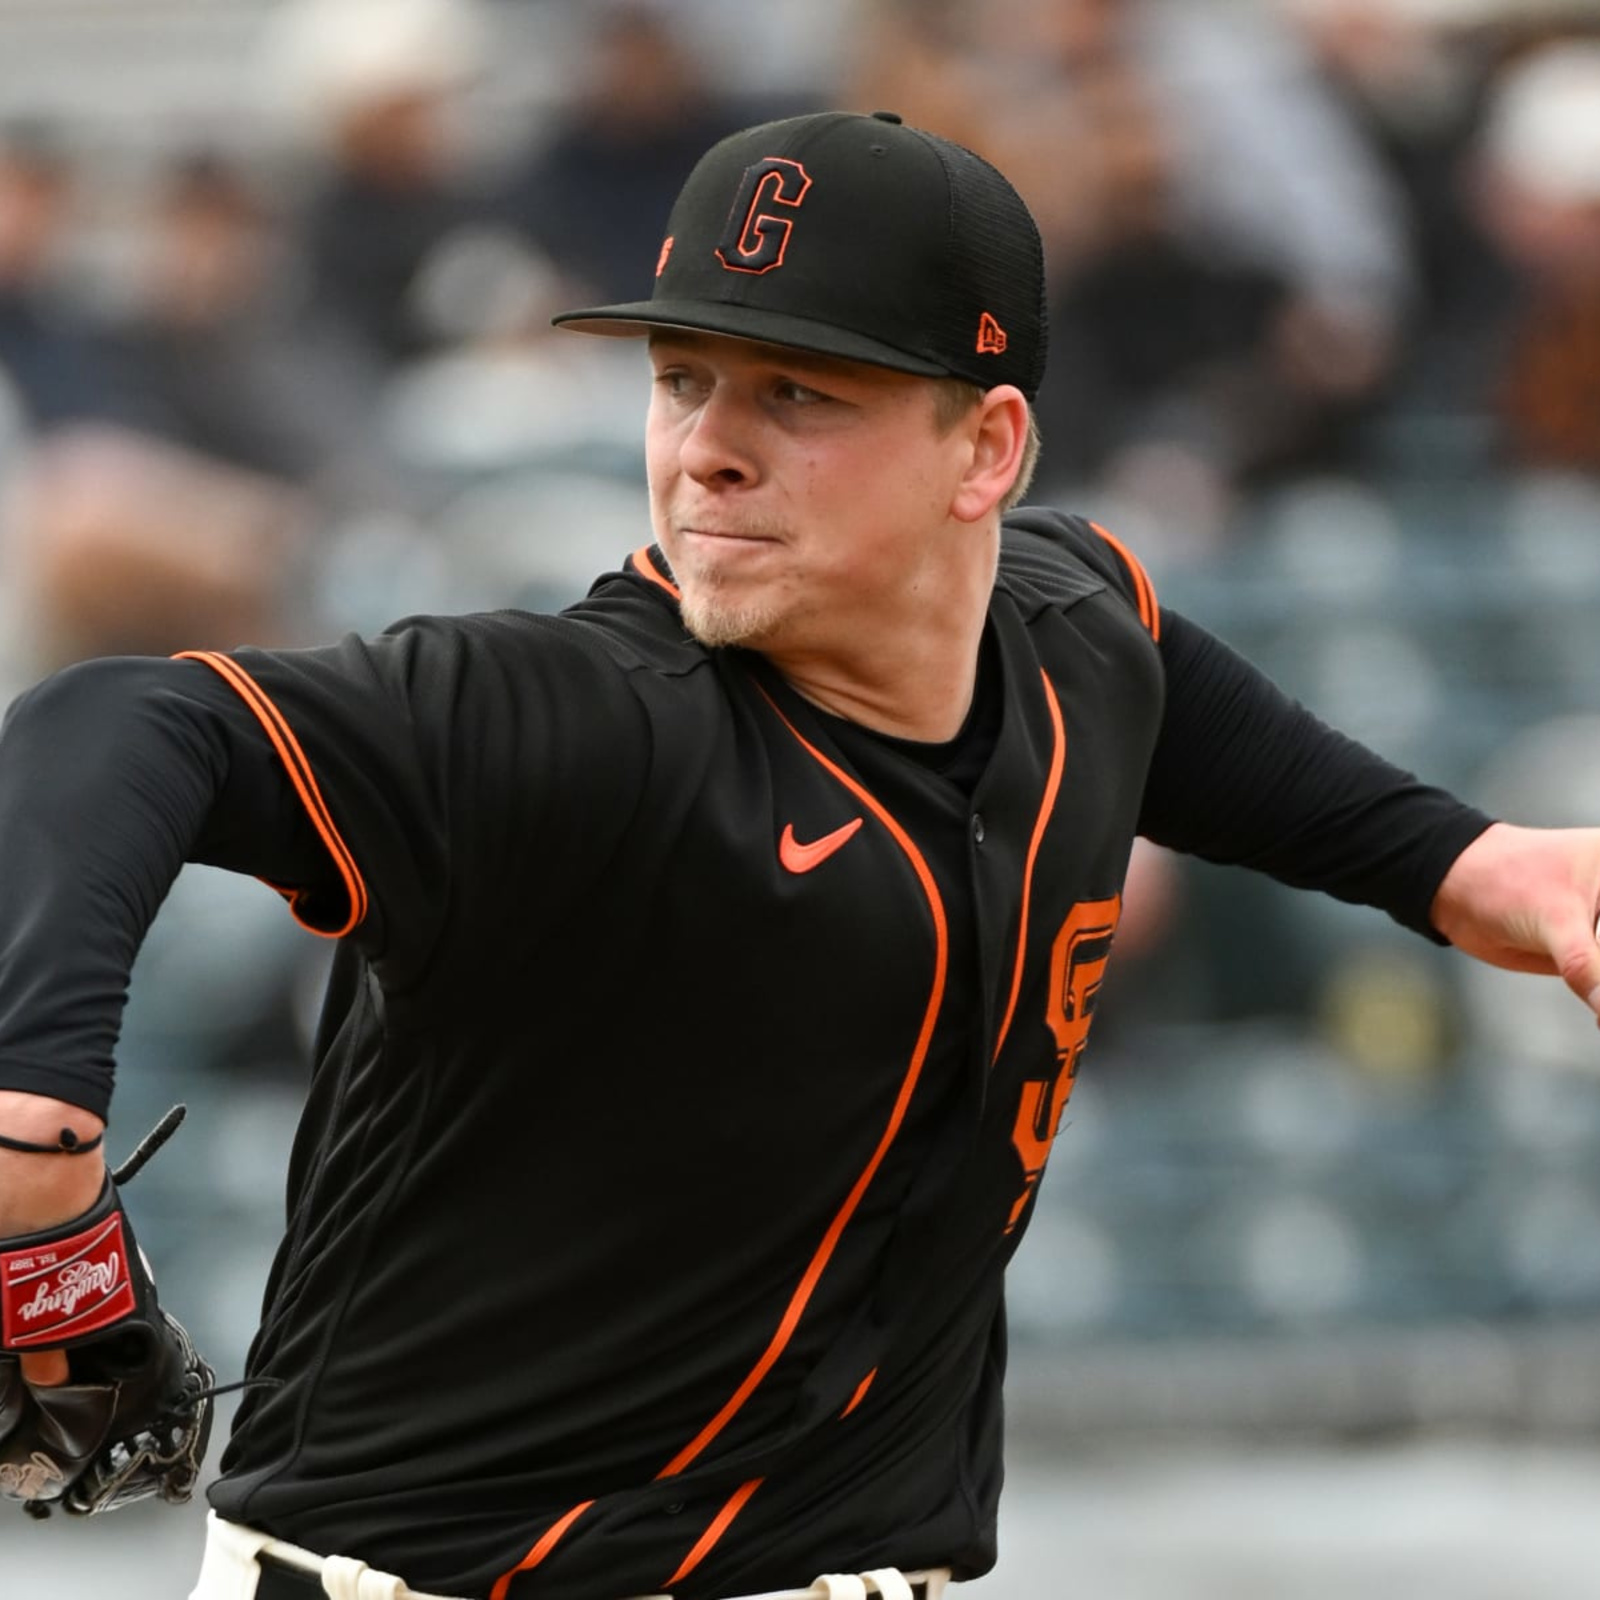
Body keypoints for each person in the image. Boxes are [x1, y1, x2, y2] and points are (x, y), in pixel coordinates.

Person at [1, 109, 1599, 1600]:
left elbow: (1160, 682)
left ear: (985, 452)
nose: (708, 447)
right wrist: (34, 1123)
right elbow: (119, 729)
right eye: (682, 377)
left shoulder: (1064, 630)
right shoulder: (584, 723)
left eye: (797, 394)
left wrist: (1469, 867)